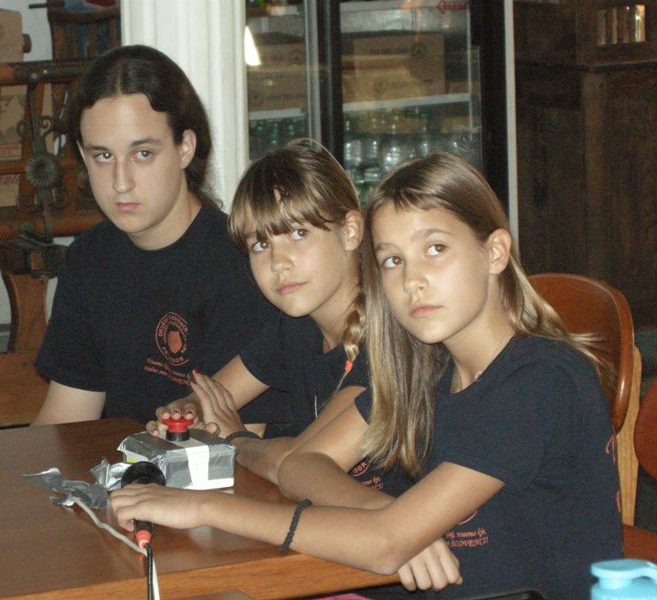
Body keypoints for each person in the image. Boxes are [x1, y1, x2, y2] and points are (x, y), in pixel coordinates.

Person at [111, 152, 622, 598]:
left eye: (435, 248)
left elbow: (385, 545)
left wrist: (203, 508)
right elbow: (302, 463)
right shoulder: (424, 367)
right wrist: (384, 514)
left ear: (494, 251)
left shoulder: (540, 380)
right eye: (393, 260)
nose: (413, 279)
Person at [148, 140, 461, 594]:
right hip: (333, 556)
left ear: (350, 231)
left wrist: (236, 440)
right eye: (260, 244)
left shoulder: (391, 341)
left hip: (394, 575)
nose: (279, 262)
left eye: (298, 233)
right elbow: (210, 398)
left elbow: (293, 464)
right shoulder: (294, 327)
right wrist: (178, 416)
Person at [32, 45, 281, 426]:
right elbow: (67, 420)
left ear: (185, 148)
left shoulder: (240, 266)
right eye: (103, 156)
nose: (121, 182)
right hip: (120, 462)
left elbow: (244, 441)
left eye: (143, 154)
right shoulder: (88, 258)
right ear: (82, 155)